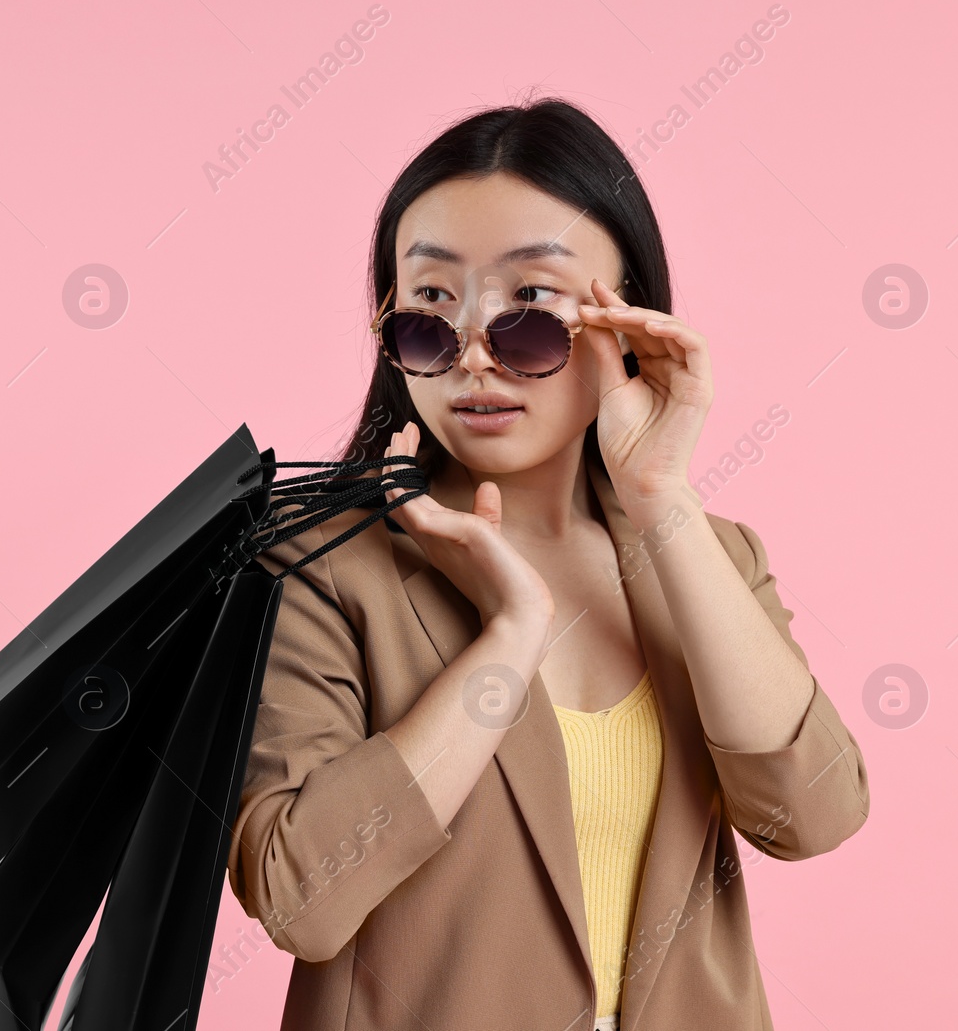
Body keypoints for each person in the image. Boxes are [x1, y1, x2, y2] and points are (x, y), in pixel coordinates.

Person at [225, 95, 871, 1031]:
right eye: (431, 313)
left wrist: (661, 500)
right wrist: (509, 634)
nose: (474, 358)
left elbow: (812, 816)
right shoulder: (316, 564)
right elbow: (301, 899)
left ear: (626, 320)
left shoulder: (708, 554)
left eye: (529, 311)